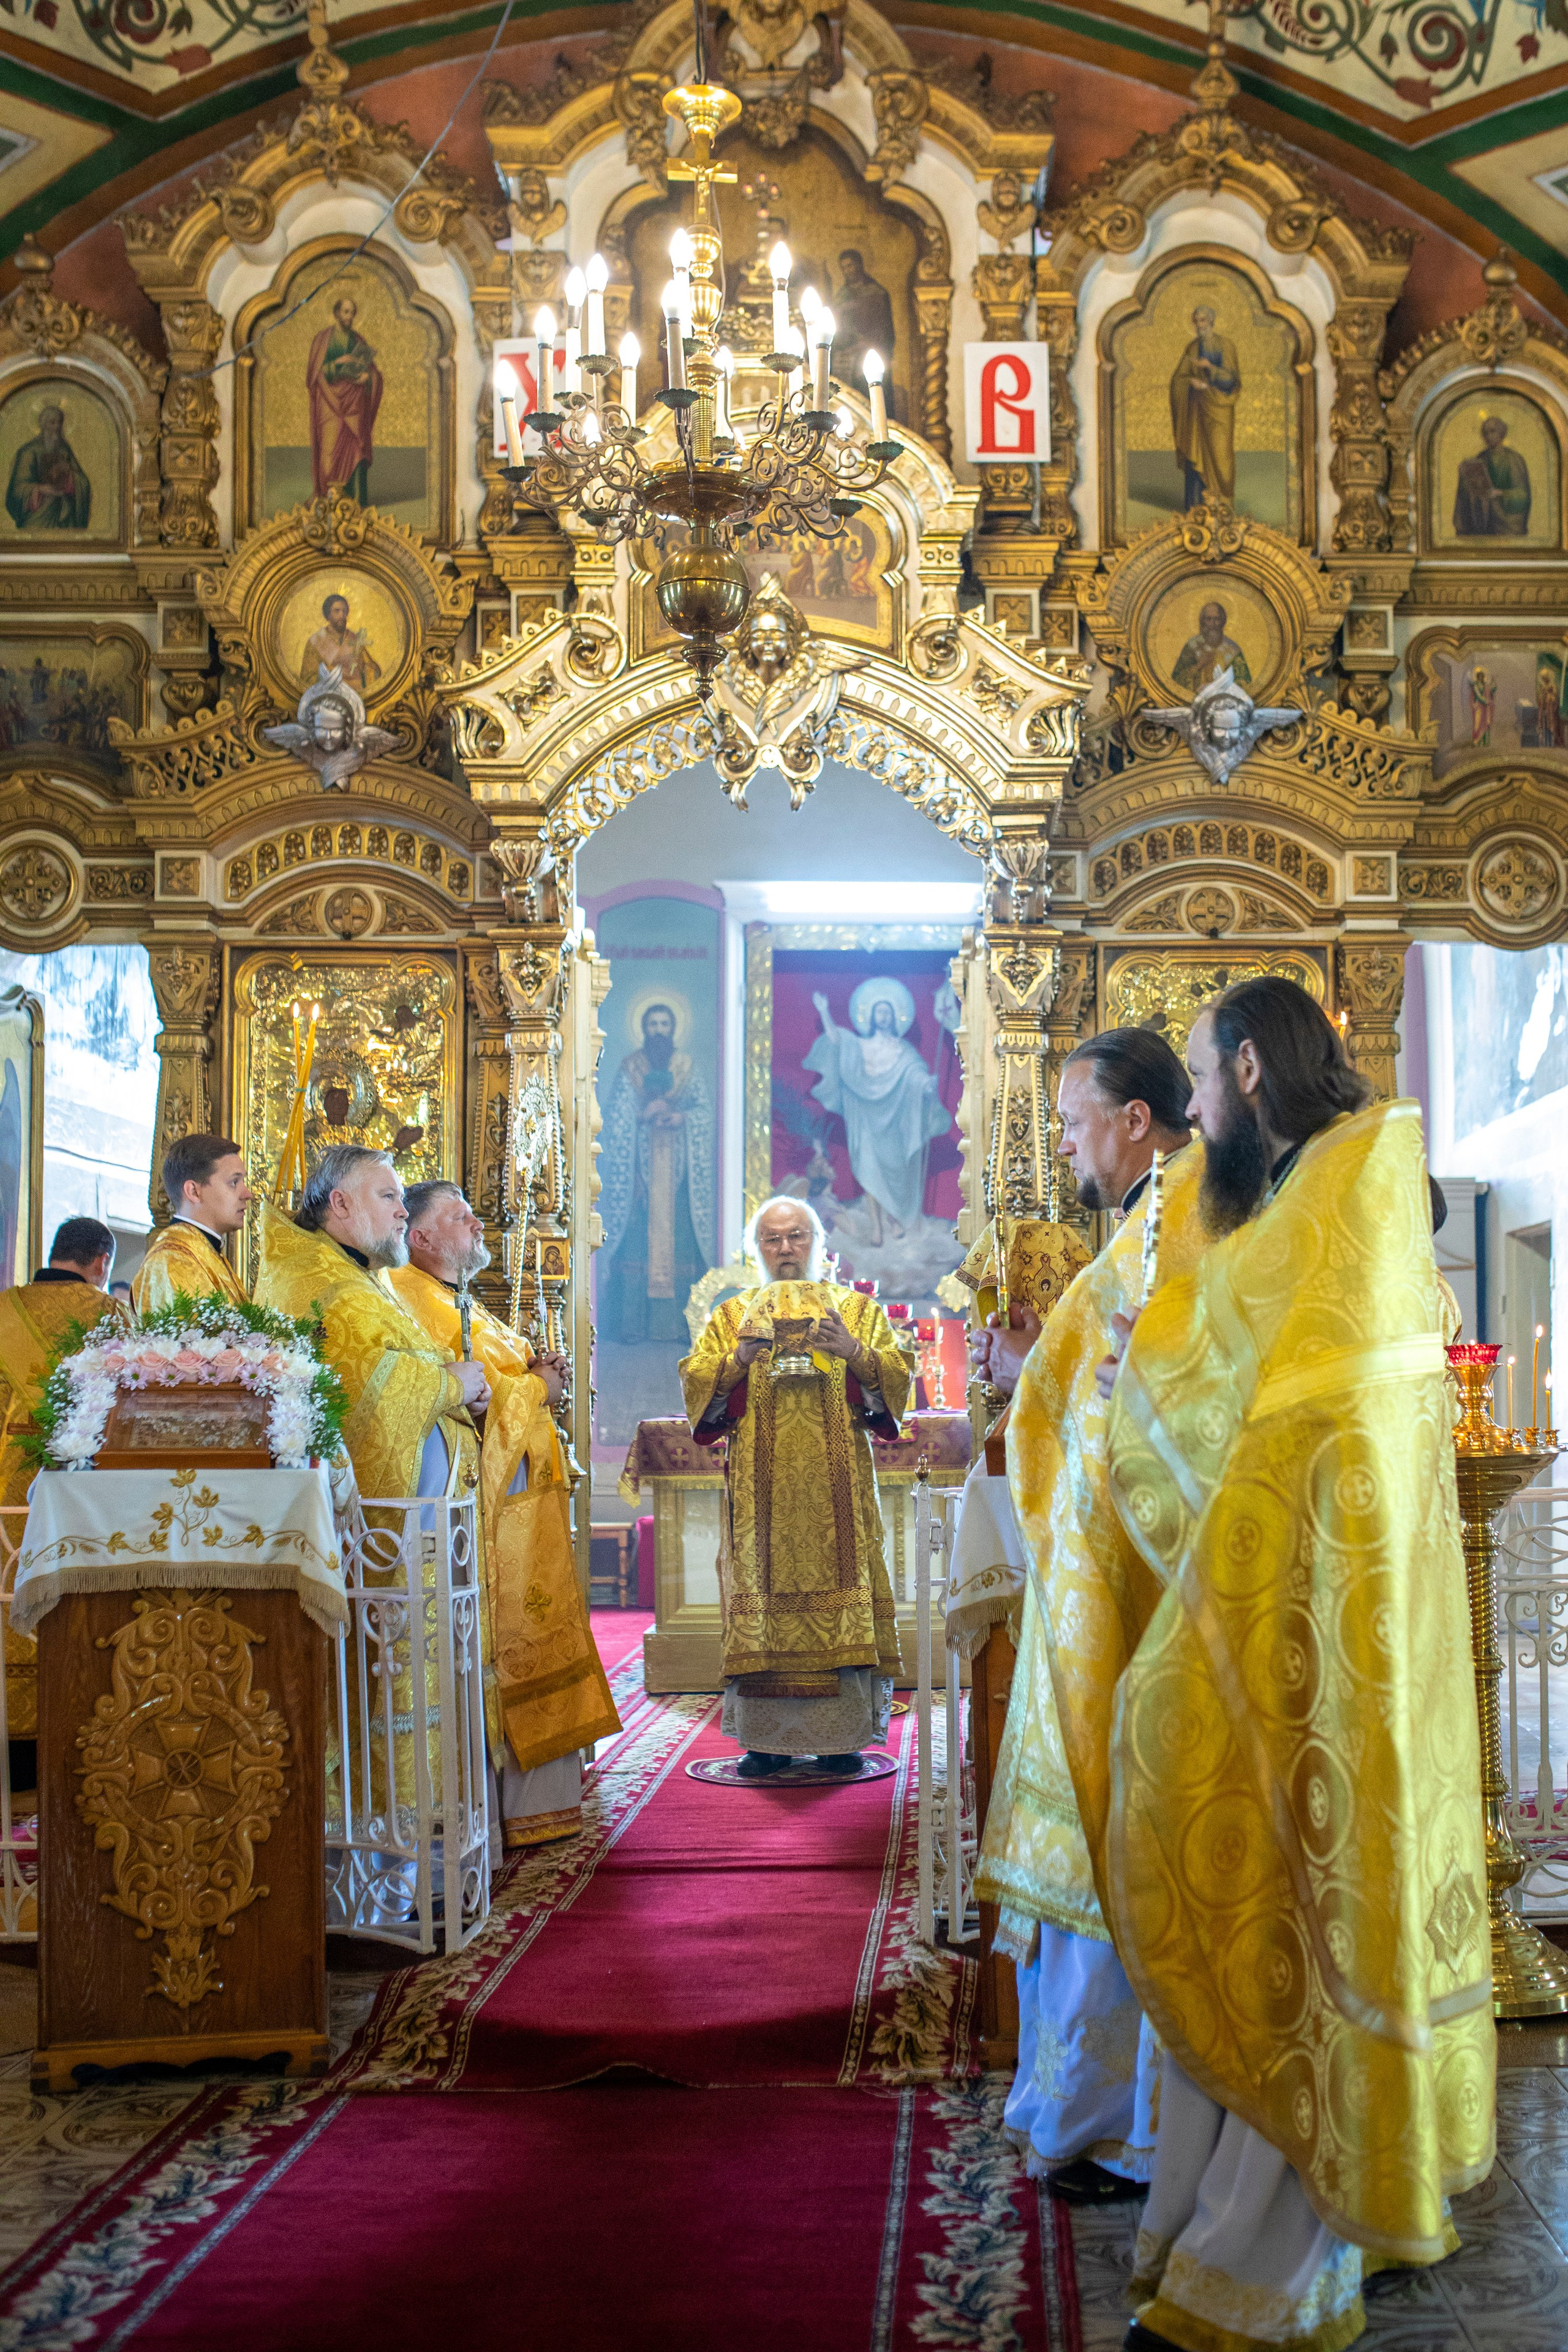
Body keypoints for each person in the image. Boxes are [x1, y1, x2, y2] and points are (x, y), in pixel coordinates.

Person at [1102, 978, 1491, 2352]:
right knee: (1256, 1918)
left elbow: (1247, 1389)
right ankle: (1211, 2224)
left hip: (1327, 1625)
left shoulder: (1350, 1185)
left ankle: (1271, 2265)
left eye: (1200, 1083)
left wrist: (1129, 1372)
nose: (1193, 1110)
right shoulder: (1305, 1191)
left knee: (1306, 1925)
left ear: (1251, 1074)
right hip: (1285, 1607)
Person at [971, 1030, 1207, 2203]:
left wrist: (1039, 1380)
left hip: (1130, 1585)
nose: (1065, 1140)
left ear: (1134, 1117)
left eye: (1075, 1117)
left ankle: (1125, 2126)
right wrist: (1034, 1372)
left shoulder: (1175, 1221)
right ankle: (1096, 2113)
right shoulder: (1145, 1223)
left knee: (1120, 1839)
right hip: (1098, 1576)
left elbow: (1152, 1396)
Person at [389, 1182, 621, 1848]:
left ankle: (540, 1800)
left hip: (523, 1511)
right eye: (460, 1218)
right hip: (487, 1523)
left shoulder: (459, 1302)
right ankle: (508, 1809)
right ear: (422, 1236)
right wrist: (538, 1386)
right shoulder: (411, 1299)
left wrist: (533, 1374)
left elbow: (497, 1378)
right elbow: (475, 1401)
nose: (476, 1226)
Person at [682, 1196, 910, 1778]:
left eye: (797, 1237)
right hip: (762, 1505)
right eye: (773, 1240)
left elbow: (895, 1390)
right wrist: (735, 1362)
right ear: (755, 1249)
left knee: (845, 1596)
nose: (785, 1250)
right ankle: (766, 1742)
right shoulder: (733, 1316)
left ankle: (842, 1740)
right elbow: (700, 1398)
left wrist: (855, 1354)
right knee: (760, 1601)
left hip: (840, 1497)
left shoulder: (855, 1312)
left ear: (819, 1243)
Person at [0, 1216, 126, 1744]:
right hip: (74, 1486)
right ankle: (65, 1730)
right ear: (101, 1264)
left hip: (6, 1481)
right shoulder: (109, 1313)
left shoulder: (5, 1307)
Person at [598, 1003, 714, 1344]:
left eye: (665, 1024)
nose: (659, 1030)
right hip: (641, 1179)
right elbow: (614, 1116)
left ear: (674, 1028)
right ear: (645, 1029)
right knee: (636, 1247)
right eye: (653, 1024)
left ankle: (681, 1327)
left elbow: (704, 1110)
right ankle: (631, 1327)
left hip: (678, 1180)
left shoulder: (686, 1066)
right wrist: (642, 1113)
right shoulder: (631, 1066)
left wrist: (682, 1118)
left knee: (681, 1249)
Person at [805, 978, 950, 1246]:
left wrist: (926, 1084)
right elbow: (837, 1041)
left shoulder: (904, 1051)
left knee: (894, 1175)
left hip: (895, 1124)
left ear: (895, 1017)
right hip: (867, 1120)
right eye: (879, 1011)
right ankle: (877, 1229)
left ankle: (894, 1221)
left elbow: (915, 1074)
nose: (883, 1016)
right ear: (871, 1016)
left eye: (887, 1012)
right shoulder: (861, 1046)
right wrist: (825, 1011)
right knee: (870, 1173)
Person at [134, 1134, 254, 1312]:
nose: (247, 1194)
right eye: (234, 1182)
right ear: (193, 1191)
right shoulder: (172, 1262)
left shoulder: (207, 1253)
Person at [307, 295, 382, 504]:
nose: (350, 317)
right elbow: (314, 375)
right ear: (337, 313)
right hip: (329, 401)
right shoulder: (322, 340)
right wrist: (338, 363)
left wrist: (369, 377)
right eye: (346, 312)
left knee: (357, 446)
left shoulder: (358, 341)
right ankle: (329, 498)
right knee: (329, 449)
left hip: (355, 401)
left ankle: (357, 499)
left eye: (352, 313)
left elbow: (373, 371)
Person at [1169, 304, 1239, 508]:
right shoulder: (1192, 348)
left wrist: (1211, 370)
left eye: (1203, 320)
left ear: (1212, 321)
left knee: (1221, 455)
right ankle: (1196, 504)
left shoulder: (1226, 346)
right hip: (1196, 410)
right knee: (1195, 454)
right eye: (1196, 321)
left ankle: (1223, 501)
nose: (1199, 325)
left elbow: (1232, 380)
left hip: (1219, 408)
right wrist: (1190, 383)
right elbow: (1178, 379)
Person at [4, 404, 91, 532]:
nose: (57, 427)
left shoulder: (65, 450)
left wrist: (69, 473)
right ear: (43, 425)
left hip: (64, 513)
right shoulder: (28, 451)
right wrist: (41, 489)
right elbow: (17, 489)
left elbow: (84, 483)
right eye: (52, 423)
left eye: (59, 423)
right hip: (38, 516)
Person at [1453, 412, 1531, 537]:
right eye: (1485, 433)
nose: (1488, 436)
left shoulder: (1513, 459)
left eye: (1493, 431)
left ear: (1502, 433)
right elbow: (1475, 488)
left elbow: (1522, 496)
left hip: (1505, 522)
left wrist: (1500, 493)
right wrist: (1466, 475)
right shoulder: (1481, 458)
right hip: (1485, 518)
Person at [832, 249, 896, 391]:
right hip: (847, 353)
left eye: (850, 266)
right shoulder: (841, 296)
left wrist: (867, 343)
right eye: (843, 268)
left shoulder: (877, 293)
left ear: (859, 265)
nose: (847, 271)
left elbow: (885, 331)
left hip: (871, 350)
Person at [298, 594, 382, 698]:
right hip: (329, 697)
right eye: (337, 611)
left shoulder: (354, 638)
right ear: (328, 615)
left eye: (345, 611)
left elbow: (370, 667)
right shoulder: (316, 641)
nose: (342, 615)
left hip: (356, 695)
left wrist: (369, 672)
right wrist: (332, 675)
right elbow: (308, 678)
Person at [1170, 600, 1252, 693]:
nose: (1212, 624)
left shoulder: (1233, 649)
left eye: (1217, 619)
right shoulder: (1192, 646)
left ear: (1223, 621)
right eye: (1208, 619)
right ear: (1202, 621)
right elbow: (1177, 680)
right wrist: (1199, 666)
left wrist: (1217, 687)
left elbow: (1244, 683)